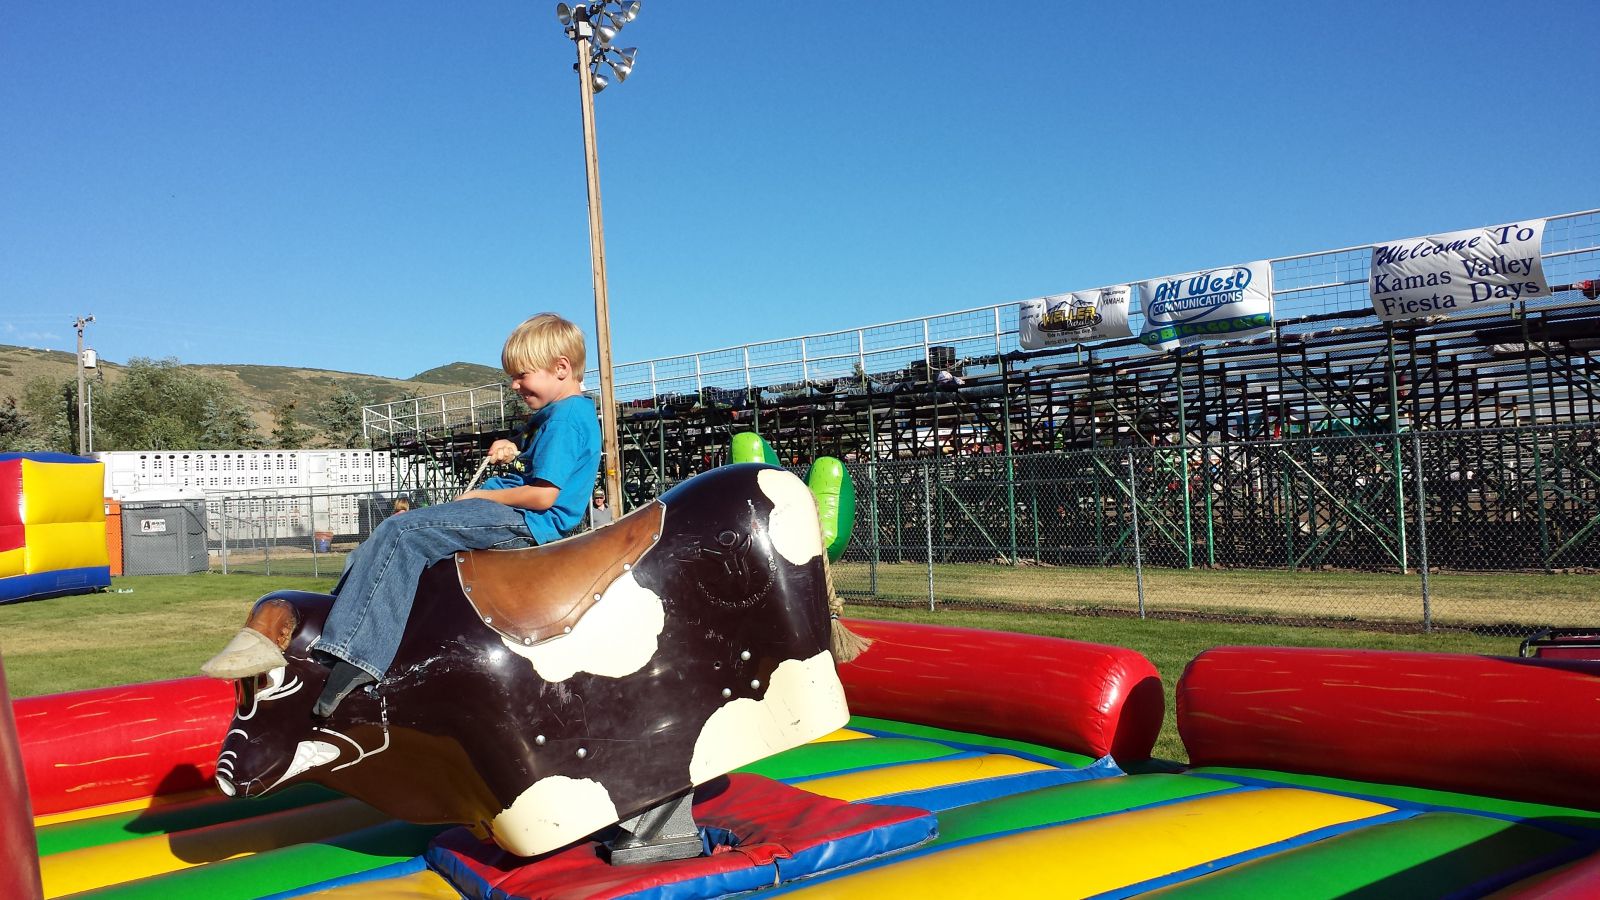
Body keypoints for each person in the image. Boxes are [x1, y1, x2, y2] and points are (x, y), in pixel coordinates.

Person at [201, 313, 601, 717]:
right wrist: (513, 449)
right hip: (515, 513)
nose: (514, 385)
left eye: (521, 375)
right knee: (368, 551)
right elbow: (543, 467)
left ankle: (352, 656)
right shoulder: (559, 415)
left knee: (401, 533)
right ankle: (334, 625)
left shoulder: (567, 417)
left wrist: (483, 494)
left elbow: (545, 496)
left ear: (561, 368)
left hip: (529, 522)